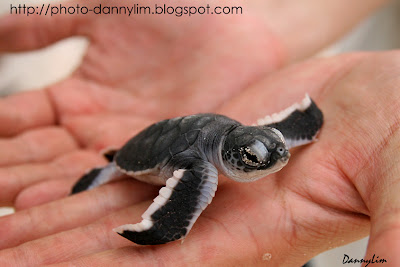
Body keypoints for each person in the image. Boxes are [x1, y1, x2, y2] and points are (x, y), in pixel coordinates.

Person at [0, 0, 398, 265]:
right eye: (258, 160)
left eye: (276, 150)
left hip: (190, 130)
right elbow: (194, 188)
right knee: (118, 168)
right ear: (230, 158)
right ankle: (104, 170)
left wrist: (302, 122)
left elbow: (271, 139)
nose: (277, 160)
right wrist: (161, 227)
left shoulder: (246, 137)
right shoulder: (202, 169)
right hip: (145, 150)